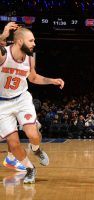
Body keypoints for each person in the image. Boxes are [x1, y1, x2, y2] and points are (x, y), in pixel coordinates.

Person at [0, 25, 64, 184]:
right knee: (13, 144)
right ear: (19, 41)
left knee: (33, 134)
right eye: (31, 40)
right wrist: (3, 35)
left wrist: (51, 81)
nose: (34, 43)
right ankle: (30, 169)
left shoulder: (30, 57)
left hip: (21, 98)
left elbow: (33, 78)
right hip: (2, 104)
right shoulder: (4, 55)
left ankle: (36, 149)